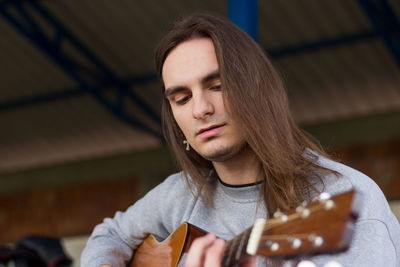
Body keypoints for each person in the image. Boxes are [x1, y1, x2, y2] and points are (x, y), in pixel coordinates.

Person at [81, 13, 400, 267]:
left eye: (217, 86)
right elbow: (109, 234)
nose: (200, 109)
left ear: (257, 89)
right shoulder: (179, 195)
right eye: (181, 98)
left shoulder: (344, 199)